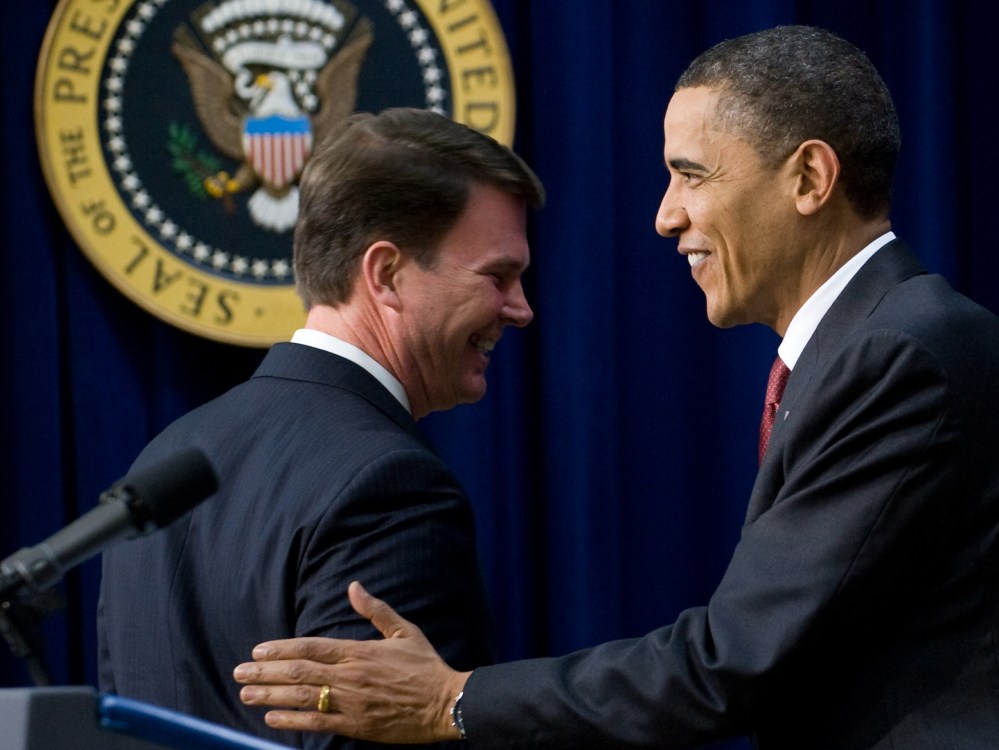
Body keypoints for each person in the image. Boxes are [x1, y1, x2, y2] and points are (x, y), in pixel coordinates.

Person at [230, 26, 999, 750]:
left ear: (808, 178)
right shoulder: (866, 349)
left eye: (689, 175)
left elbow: (734, 660)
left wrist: (450, 702)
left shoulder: (899, 354)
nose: (665, 216)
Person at [97, 107, 545, 748]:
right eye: (497, 276)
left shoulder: (162, 459)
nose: (522, 309)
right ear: (386, 272)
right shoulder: (392, 485)